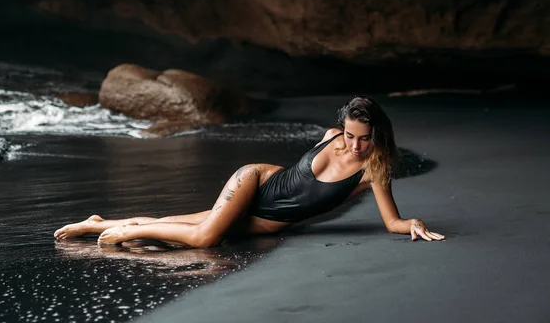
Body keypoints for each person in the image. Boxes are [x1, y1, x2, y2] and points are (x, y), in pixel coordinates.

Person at [54, 96, 445, 247]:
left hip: (268, 221)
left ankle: (96, 224)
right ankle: (127, 232)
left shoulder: (373, 172)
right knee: (205, 237)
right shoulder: (330, 137)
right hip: (255, 180)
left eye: (364, 139)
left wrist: (412, 223)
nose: (354, 145)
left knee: (179, 223)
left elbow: (391, 221)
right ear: (341, 128)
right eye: (350, 135)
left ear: (378, 135)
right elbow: (294, 178)